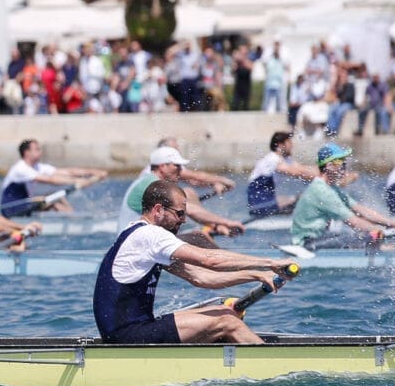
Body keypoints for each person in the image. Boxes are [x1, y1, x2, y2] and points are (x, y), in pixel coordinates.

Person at [94, 179, 294, 345]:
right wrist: (270, 263)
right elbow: (209, 260)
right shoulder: (151, 235)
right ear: (158, 210)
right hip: (127, 336)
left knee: (225, 311)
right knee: (228, 321)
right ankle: (273, 368)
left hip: (131, 330)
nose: (183, 221)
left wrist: (254, 275)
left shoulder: (141, 235)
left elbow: (201, 277)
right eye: (179, 214)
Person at [291, 143, 395, 248]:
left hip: (318, 239)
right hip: (306, 244)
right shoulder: (323, 191)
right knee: (367, 238)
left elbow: (361, 210)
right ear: (329, 166)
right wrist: (378, 231)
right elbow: (353, 221)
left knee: (366, 236)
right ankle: (383, 252)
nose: (344, 168)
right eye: (341, 163)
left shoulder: (332, 188)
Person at [116, 145, 244, 243]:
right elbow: (191, 210)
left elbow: (194, 188)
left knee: (188, 193)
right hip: (133, 241)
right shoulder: (154, 185)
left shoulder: (151, 180)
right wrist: (228, 223)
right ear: (162, 167)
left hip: (138, 237)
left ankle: (211, 228)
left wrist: (215, 224)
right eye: (176, 165)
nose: (180, 170)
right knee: (200, 238)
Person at [0, 139, 107, 217]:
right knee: (53, 199)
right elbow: (52, 180)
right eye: (37, 149)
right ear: (27, 153)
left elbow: (67, 172)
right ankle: (75, 221)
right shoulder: (20, 168)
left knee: (57, 197)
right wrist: (78, 181)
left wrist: (93, 172)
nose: (40, 152)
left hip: (24, 205)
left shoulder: (37, 167)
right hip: (10, 208)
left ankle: (74, 217)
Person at [247, 131, 319, 217]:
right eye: (289, 142)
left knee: (299, 200)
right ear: (280, 145)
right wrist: (323, 177)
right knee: (304, 198)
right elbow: (296, 172)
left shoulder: (285, 159)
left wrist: (325, 171)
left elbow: (303, 169)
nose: (292, 145)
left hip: (269, 199)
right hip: (259, 204)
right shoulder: (272, 159)